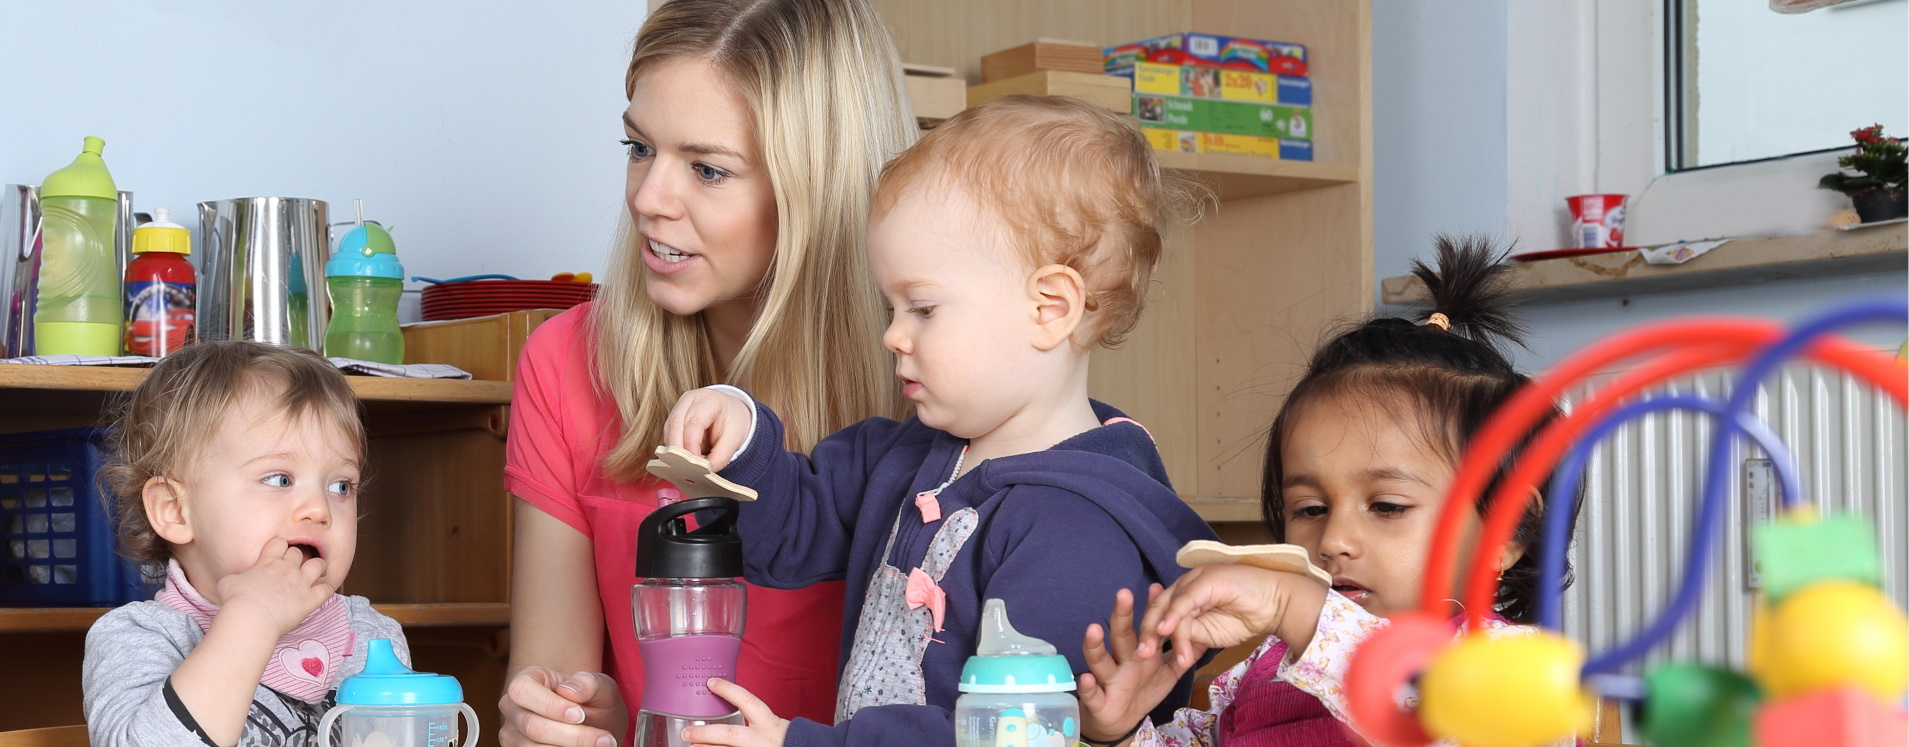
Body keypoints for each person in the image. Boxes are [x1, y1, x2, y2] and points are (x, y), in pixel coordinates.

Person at [664, 95, 1219, 747]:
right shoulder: (902, 453)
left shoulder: (1077, 530)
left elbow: (1014, 737)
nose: (892, 336)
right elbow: (790, 535)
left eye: (923, 309)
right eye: (890, 307)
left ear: (1049, 307)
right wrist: (742, 437)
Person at [497, 1, 918, 745]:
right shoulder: (564, 363)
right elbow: (553, 683)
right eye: (637, 148)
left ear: (816, 187)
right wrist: (566, 715)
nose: (648, 199)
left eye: (707, 168)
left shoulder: (935, 384)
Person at [1074, 238, 1582, 746]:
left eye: (1386, 506)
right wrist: (1118, 734)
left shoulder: (1513, 668)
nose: (1334, 539)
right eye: (1310, 508)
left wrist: (1298, 609)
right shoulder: (1271, 662)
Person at [83, 341, 406, 747]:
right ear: (174, 511)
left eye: (341, 485)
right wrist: (252, 618)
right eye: (279, 479)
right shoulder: (139, 638)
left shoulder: (371, 635)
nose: (319, 509)